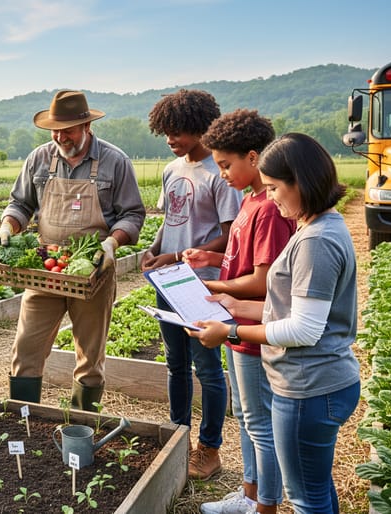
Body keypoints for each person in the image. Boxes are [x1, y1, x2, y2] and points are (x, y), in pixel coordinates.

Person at [189, 133, 361, 514]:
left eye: (274, 188)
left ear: (300, 181)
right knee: (316, 488)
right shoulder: (320, 226)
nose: (272, 197)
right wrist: (236, 305)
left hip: (309, 387)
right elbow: (291, 308)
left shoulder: (316, 240)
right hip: (324, 382)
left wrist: (229, 331)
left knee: (305, 499)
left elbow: (302, 329)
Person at [0, 89, 146, 411]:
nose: (61, 137)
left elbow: (133, 214)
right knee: (26, 350)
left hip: (93, 271)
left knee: (90, 358)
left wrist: (111, 242)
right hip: (46, 270)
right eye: (55, 130)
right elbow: (21, 203)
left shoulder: (114, 161)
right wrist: (9, 225)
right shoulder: (39, 159)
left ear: (87, 127)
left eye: (68, 130)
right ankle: (24, 421)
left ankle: (80, 424)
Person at [184, 110, 295, 514]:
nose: (223, 174)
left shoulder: (268, 207)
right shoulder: (250, 200)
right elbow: (241, 260)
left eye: (227, 165)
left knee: (260, 423)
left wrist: (210, 285)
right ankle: (249, 494)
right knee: (245, 416)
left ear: (253, 157)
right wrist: (208, 257)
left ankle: (264, 504)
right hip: (236, 322)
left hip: (253, 327)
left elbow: (263, 282)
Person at [140, 89, 240, 480]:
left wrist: (180, 256)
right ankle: (176, 436)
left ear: (201, 128)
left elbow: (230, 235)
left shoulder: (220, 172)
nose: (170, 139)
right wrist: (153, 250)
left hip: (204, 285)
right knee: (175, 364)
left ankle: (209, 448)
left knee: (208, 369)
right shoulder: (171, 170)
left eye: (178, 130)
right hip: (168, 282)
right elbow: (171, 222)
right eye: (165, 131)